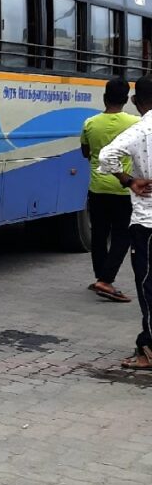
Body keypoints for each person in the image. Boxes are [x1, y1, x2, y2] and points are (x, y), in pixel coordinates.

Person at [98, 74, 152, 371]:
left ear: (135, 101)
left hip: (148, 222)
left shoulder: (141, 129)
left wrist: (129, 180)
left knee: (148, 286)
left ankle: (149, 350)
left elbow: (107, 156)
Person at [80, 77, 138, 302]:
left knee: (99, 234)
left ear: (104, 98)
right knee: (123, 235)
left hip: (97, 187)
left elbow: (85, 153)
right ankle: (106, 279)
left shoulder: (90, 123)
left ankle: (100, 278)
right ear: (126, 100)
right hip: (124, 188)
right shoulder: (134, 123)